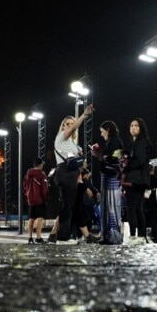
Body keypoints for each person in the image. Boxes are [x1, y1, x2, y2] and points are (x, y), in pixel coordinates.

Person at [50, 104, 95, 245]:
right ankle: (63, 237)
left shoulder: (72, 143)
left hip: (72, 174)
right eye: (67, 124)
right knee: (67, 205)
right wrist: (84, 115)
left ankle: (65, 235)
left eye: (71, 123)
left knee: (71, 205)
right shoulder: (61, 137)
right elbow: (75, 128)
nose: (70, 126)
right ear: (62, 127)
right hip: (65, 173)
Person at [93, 120, 125, 245]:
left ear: (108, 130)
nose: (101, 134)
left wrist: (101, 155)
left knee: (112, 207)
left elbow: (116, 158)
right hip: (109, 177)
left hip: (111, 178)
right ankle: (109, 236)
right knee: (108, 206)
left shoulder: (115, 141)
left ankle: (113, 236)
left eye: (102, 131)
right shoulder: (112, 142)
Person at [123, 118, 154, 245]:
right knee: (138, 209)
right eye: (131, 125)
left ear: (141, 128)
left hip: (136, 179)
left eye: (136, 126)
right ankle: (141, 236)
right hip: (140, 179)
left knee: (132, 209)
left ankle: (133, 237)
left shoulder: (140, 142)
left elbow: (140, 161)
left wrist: (127, 164)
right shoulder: (136, 142)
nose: (133, 128)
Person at [23, 157, 49, 244]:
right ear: (40, 164)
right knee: (39, 218)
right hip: (39, 199)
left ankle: (30, 238)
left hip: (30, 200)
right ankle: (38, 237)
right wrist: (46, 198)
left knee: (31, 218)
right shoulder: (42, 174)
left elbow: (24, 186)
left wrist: (27, 196)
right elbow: (44, 189)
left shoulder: (28, 174)